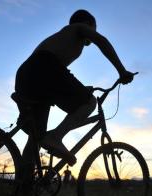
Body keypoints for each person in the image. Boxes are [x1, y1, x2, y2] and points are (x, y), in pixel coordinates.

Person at [14, 10, 135, 167]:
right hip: (44, 67)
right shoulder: (78, 27)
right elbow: (101, 41)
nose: (94, 32)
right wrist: (121, 70)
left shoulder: (64, 39)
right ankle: (56, 137)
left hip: (29, 75)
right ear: (88, 23)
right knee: (89, 103)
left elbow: (58, 75)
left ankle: (23, 186)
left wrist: (81, 89)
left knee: (37, 137)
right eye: (94, 28)